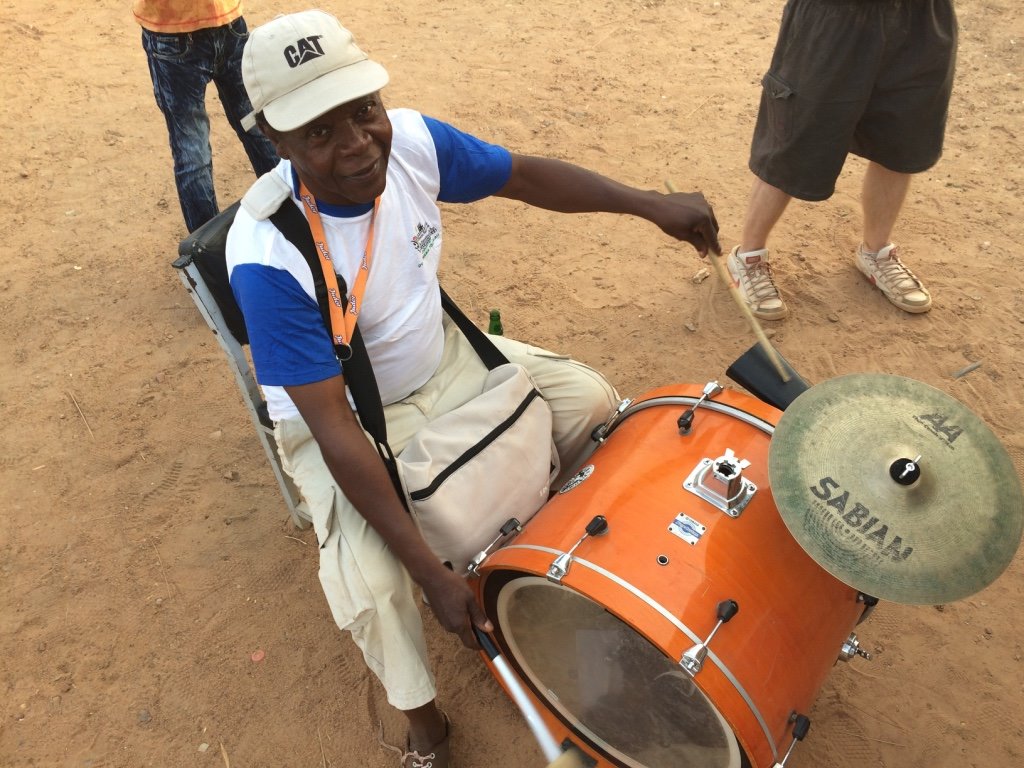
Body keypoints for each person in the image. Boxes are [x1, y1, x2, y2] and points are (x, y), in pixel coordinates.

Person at [225, 10, 719, 768]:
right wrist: (431, 577)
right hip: (347, 415)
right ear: (275, 138)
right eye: (320, 132)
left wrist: (650, 204)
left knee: (591, 405)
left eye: (364, 110)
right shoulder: (268, 254)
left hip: (443, 356)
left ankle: (562, 580)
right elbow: (333, 431)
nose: (358, 142)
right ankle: (425, 726)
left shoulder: (414, 143)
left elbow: (524, 176)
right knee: (377, 586)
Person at [727, 0, 958, 319]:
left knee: (901, 142)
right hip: (834, 17)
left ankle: (876, 252)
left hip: (920, 17)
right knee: (796, 141)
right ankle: (748, 257)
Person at [134, 1, 279, 232]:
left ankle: (207, 245)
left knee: (194, 150)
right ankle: (295, 216)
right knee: (256, 126)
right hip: (218, 22)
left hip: (183, 29)